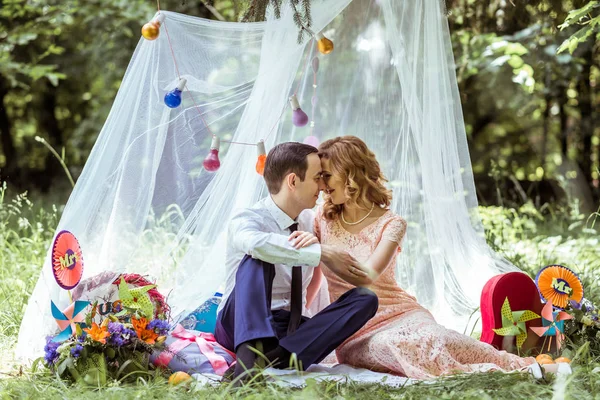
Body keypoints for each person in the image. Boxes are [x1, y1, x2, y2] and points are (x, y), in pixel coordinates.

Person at [309, 135, 539, 379]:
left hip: (401, 313)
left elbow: (368, 276)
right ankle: (499, 367)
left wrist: (327, 253)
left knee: (435, 338)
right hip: (355, 330)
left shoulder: (392, 223)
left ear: (349, 173)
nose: (322, 185)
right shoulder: (322, 221)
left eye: (326, 175)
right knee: (397, 345)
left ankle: (521, 365)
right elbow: (311, 280)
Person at [214, 141, 378, 382]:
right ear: (293, 181)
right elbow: (256, 244)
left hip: (288, 330)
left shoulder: (312, 221)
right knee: (257, 258)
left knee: (365, 299)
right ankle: (248, 366)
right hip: (239, 323)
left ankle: (272, 357)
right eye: (317, 178)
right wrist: (320, 252)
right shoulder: (247, 219)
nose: (322, 186)